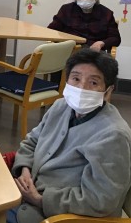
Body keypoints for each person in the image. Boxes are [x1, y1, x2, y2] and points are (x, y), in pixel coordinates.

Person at [9, 49, 131, 223]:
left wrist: (40, 199)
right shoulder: (61, 106)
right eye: (76, 79)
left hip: (55, 216)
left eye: (93, 82)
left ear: (108, 91)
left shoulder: (113, 135)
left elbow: (101, 200)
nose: (81, 88)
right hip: (22, 193)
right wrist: (24, 170)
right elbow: (32, 141)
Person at [48, 0, 121, 52]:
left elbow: (115, 38)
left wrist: (101, 43)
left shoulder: (106, 13)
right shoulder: (66, 9)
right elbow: (51, 30)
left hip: (94, 51)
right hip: (70, 50)